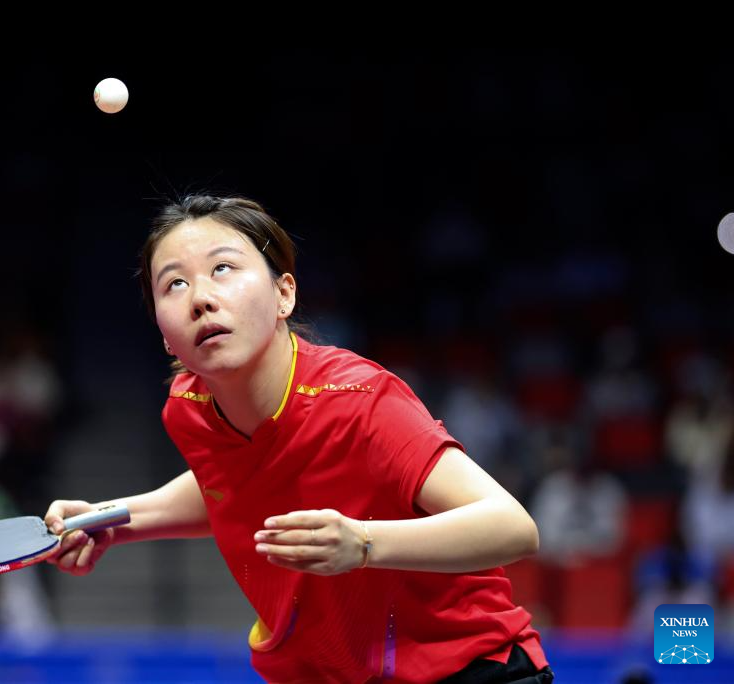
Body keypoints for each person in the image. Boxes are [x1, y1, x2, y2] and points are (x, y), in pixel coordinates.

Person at [44, 196, 553, 683]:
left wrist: (364, 543)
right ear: (163, 335)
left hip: (467, 668)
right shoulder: (189, 408)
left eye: (223, 268)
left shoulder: (360, 401)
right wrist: (108, 520)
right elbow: (233, 483)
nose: (200, 298)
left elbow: (513, 527)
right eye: (174, 283)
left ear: (283, 294)